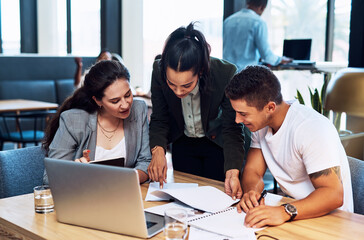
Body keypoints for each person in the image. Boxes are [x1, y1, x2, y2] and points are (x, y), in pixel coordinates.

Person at [225, 65, 353, 228]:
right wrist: (251, 192)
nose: (237, 120)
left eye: (243, 114)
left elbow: (333, 195)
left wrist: (283, 212)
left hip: (333, 220)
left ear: (270, 107)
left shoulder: (311, 128)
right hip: (295, 212)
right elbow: (253, 171)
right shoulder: (261, 123)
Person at [148, 22, 248, 199]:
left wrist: (233, 171)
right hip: (182, 142)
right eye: (172, 84)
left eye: (186, 85)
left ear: (200, 71)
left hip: (216, 144)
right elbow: (159, 118)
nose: (178, 92)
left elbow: (232, 128)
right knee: (185, 201)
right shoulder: (158, 71)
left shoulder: (225, 73)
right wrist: (158, 151)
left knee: (217, 198)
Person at [43, 60, 151, 184]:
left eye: (127, 95)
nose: (125, 105)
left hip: (124, 194)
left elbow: (145, 161)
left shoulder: (138, 109)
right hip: (85, 196)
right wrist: (76, 172)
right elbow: (49, 178)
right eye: (115, 101)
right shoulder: (74, 121)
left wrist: (127, 180)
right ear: (98, 101)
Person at [223, 0, 291, 71]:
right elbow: (266, 55)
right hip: (245, 73)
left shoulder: (228, 20)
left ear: (247, 3)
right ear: (262, 7)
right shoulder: (258, 22)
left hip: (227, 73)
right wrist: (280, 59)